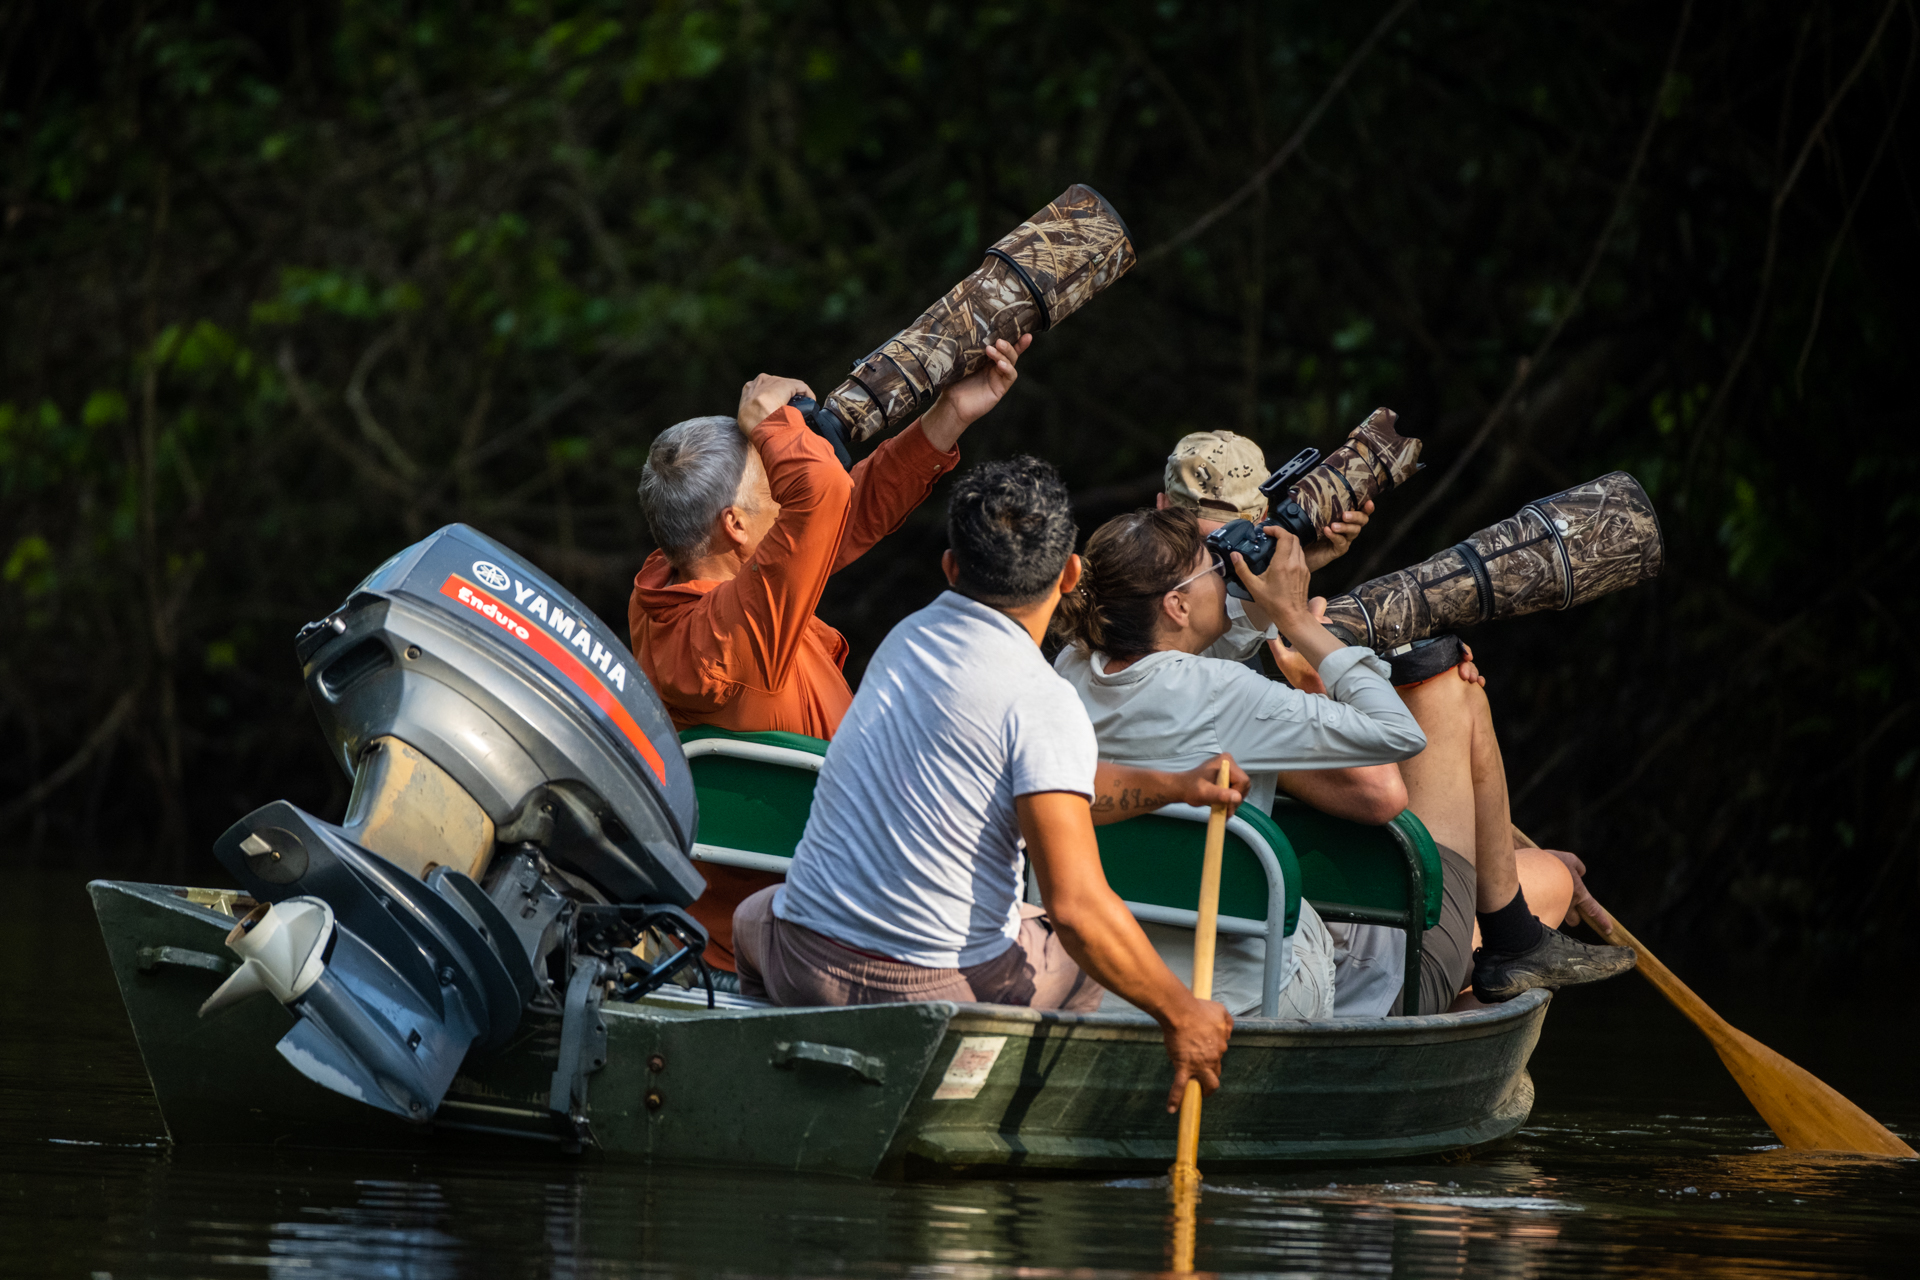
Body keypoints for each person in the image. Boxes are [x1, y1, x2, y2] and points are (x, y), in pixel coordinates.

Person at [733, 457, 1240, 1111]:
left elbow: (1043, 774)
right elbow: (1082, 910)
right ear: (1069, 575)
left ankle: (767, 1086)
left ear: (950, 567)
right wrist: (1182, 1014)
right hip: (921, 994)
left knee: (755, 914)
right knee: (1076, 950)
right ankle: (1014, 1116)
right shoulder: (1042, 701)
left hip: (798, 960)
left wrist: (1170, 785)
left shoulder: (906, 639)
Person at [1114, 432, 1635, 1013]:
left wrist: (1289, 587)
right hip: (1307, 964)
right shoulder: (1231, 694)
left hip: (1160, 930)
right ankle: (1507, 942)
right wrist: (1308, 648)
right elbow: (1378, 790)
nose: (1227, 563)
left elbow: (1214, 641)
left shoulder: (1077, 667)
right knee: (1465, 717)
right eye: (1212, 554)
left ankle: (1507, 937)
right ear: (1177, 600)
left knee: (1536, 870)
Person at [629, 339, 1029, 969]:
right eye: (771, 487)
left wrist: (947, 417)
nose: (786, 500)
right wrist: (771, 424)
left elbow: (837, 512)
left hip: (824, 899)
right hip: (799, 930)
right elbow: (820, 498)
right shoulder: (713, 639)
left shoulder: (692, 582)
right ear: (736, 525)